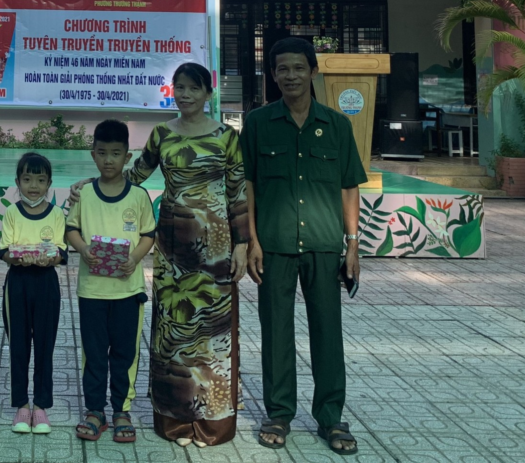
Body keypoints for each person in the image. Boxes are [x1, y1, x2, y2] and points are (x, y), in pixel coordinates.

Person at [242, 37, 367, 456]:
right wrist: (252, 240)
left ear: (313, 72)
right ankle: (279, 414)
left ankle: (331, 417)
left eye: (298, 68)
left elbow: (349, 187)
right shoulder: (258, 123)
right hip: (274, 244)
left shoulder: (337, 125)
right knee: (276, 332)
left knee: (327, 333)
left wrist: (352, 244)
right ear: (272, 74)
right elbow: (248, 185)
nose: (290, 76)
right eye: (282, 69)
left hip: (323, 244)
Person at [125, 62, 251, 446]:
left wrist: (242, 244)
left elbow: (238, 192)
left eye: (194, 88)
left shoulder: (226, 137)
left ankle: (212, 422)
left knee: (212, 333)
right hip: (172, 247)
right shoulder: (162, 134)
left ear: (208, 94)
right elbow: (135, 175)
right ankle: (176, 421)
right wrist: (92, 185)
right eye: (179, 87)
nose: (185, 95)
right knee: (173, 331)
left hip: (216, 248)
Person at [65, 119, 156, 444]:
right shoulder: (84, 194)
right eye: (102, 153)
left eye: (115, 154)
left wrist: (135, 258)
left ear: (127, 157)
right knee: (93, 353)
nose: (108, 160)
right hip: (92, 291)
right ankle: (95, 410)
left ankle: (121, 410)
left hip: (128, 292)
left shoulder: (139, 196)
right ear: (93, 154)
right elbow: (71, 229)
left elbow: (148, 235)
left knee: (125, 354)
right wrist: (83, 249)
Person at [0, 152, 66, 435]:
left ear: (49, 183)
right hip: (17, 283)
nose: (33, 186)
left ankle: (41, 405)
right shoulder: (12, 213)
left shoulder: (57, 214)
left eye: (40, 180)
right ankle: (21, 405)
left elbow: (61, 252)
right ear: (18, 182)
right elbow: (5, 251)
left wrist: (50, 258)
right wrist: (18, 258)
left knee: (45, 347)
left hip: (46, 284)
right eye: (27, 179)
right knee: (19, 346)